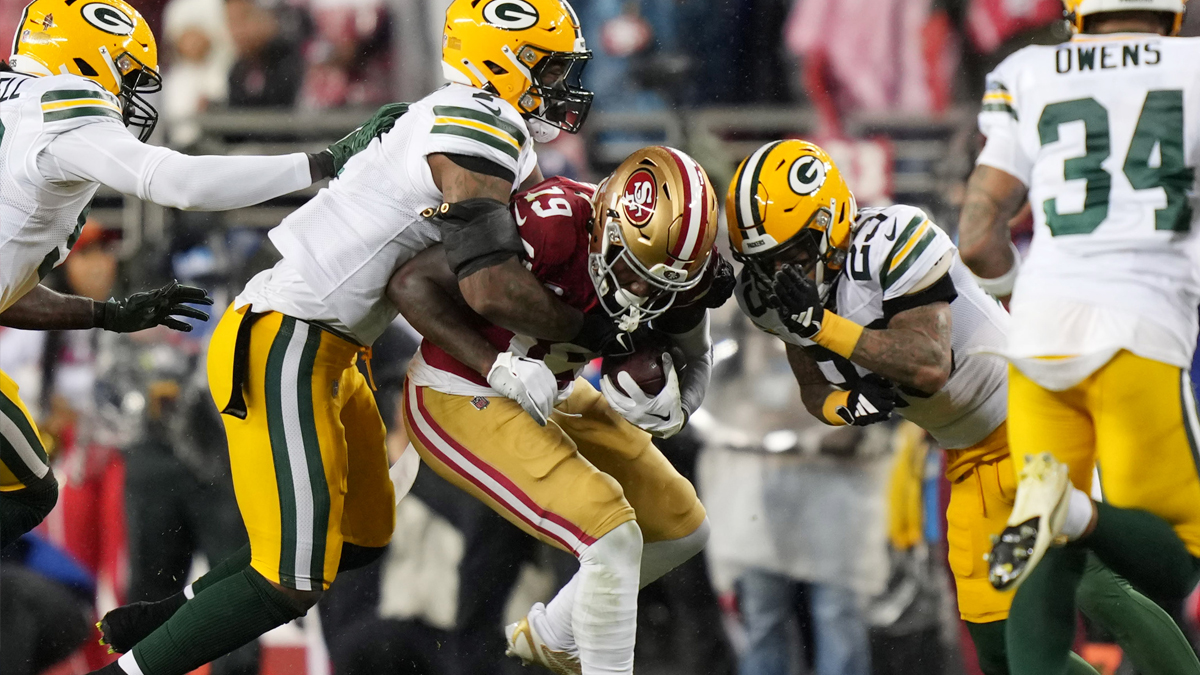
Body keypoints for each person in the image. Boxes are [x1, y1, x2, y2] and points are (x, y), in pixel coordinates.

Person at [91, 1, 621, 674]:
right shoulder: (474, 127)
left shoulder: (483, 124)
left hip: (337, 349)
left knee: (363, 535)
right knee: (292, 578)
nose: (558, 82)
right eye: (546, 66)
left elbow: (481, 269)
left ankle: (168, 614)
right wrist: (592, 334)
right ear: (497, 62)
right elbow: (490, 283)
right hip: (287, 339)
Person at [728, 139, 1200, 675]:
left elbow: (930, 364)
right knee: (999, 650)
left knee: (1100, 589)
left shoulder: (892, 238)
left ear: (831, 218)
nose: (780, 271)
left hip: (1037, 420)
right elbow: (812, 388)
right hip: (967, 455)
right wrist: (849, 405)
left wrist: (823, 326)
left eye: (790, 251)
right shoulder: (770, 295)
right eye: (764, 261)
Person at [0, 0, 395, 552]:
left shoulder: (15, 104)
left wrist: (103, 314)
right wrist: (323, 163)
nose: (131, 94)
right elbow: (178, 182)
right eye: (124, 72)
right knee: (28, 492)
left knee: (26, 488)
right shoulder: (60, 106)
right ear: (85, 58)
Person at [389, 146, 733, 675]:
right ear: (605, 228)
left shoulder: (685, 270)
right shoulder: (552, 228)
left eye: (662, 282)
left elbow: (695, 355)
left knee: (683, 528)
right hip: (458, 390)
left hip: (555, 389)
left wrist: (678, 407)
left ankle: (552, 632)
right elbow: (411, 283)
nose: (641, 291)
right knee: (611, 534)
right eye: (633, 269)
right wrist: (494, 361)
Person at [957, 0, 1200, 672]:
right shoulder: (1194, 70)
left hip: (1036, 337)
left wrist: (1016, 296)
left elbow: (977, 237)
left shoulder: (1028, 70)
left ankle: (1062, 512)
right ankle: (1075, 511)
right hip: (1139, 329)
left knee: (1046, 563)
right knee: (1178, 562)